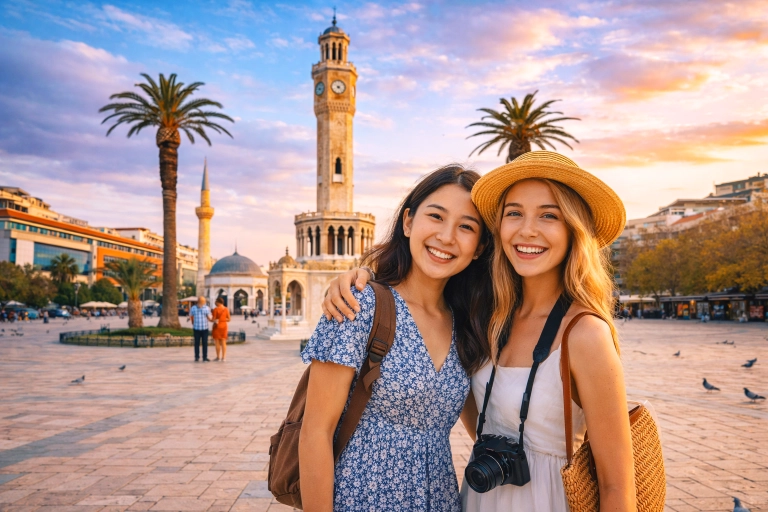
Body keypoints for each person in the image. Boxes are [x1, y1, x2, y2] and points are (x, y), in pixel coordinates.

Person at [323, 151, 636, 511]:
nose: (527, 229)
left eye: (549, 215)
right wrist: (361, 278)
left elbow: (617, 486)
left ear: (573, 230)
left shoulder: (584, 333)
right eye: (514, 213)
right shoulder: (485, 319)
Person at [299, 166, 494, 511]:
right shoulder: (359, 304)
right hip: (361, 499)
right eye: (436, 216)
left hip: (439, 500)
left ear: (479, 248)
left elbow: (482, 425)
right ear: (408, 222)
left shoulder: (466, 323)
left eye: (466, 226)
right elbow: (316, 432)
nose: (447, 237)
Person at [188, 297, 212, 362]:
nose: (202, 302)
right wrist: (192, 322)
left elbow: (209, 317)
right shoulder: (193, 308)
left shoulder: (207, 308)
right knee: (196, 343)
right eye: (201, 301)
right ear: (198, 301)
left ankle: (205, 357)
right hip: (196, 328)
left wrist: (212, 320)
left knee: (205, 343)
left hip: (204, 328)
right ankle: (197, 357)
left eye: (203, 301)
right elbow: (191, 316)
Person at [211, 297, 230, 361]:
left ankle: (218, 357)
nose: (215, 303)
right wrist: (223, 319)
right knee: (223, 342)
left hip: (217, 326)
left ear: (218, 302)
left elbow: (213, 319)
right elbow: (229, 319)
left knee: (217, 342)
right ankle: (223, 357)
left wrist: (210, 319)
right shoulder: (226, 309)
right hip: (224, 326)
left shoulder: (216, 309)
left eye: (216, 301)